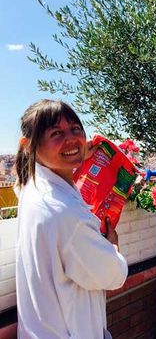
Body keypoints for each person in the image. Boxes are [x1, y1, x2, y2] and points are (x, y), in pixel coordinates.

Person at [15, 99, 128, 339]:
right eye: (56, 133)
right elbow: (113, 276)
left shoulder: (31, 189)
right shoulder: (65, 212)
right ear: (28, 146)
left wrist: (79, 152)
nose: (70, 138)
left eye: (75, 129)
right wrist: (112, 246)